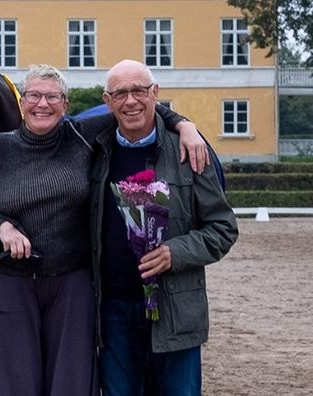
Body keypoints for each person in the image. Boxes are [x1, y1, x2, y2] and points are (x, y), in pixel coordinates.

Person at [0, 64, 207, 396]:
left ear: (65, 104)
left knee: (71, 383)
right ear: (21, 102)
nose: (43, 104)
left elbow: (136, 104)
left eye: (52, 96)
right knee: (11, 383)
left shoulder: (82, 135)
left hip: (72, 284)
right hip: (11, 281)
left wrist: (185, 125)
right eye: (34, 96)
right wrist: (0, 228)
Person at [91, 59, 238, 396]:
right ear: (107, 100)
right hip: (113, 311)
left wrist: (176, 252)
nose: (131, 101)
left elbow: (223, 227)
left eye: (139, 90)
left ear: (155, 92)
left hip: (176, 309)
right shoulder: (94, 150)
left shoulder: (191, 151)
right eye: (120, 93)